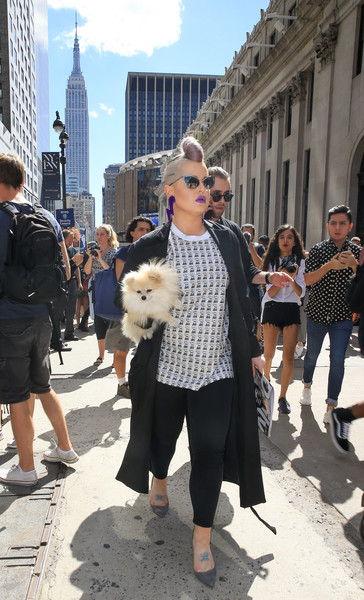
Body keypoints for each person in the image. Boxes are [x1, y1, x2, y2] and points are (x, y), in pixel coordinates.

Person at [116, 137, 268, 589]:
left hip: (218, 369)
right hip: (167, 370)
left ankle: (201, 539)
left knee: (209, 454)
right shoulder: (152, 246)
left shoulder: (228, 237)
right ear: (171, 191)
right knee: (162, 441)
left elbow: (239, 295)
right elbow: (136, 315)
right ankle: (158, 478)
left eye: (207, 182)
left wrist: (255, 349)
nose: (204, 188)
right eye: (193, 181)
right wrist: (145, 297)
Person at [0, 153, 78, 486]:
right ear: (20, 181)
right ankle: (65, 448)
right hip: (43, 318)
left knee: (17, 393)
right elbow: (67, 268)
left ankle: (27, 468)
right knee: (42, 386)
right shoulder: (45, 214)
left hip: (9, 317)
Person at [300, 205, 361, 422]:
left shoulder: (356, 253)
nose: (337, 227)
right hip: (316, 314)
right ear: (327, 225)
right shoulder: (317, 250)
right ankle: (307, 385)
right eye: (333, 223)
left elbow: (360, 284)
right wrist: (330, 265)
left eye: (342, 223)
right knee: (312, 356)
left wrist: (355, 266)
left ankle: (331, 404)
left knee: (337, 360)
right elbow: (307, 280)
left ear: (350, 226)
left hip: (342, 317)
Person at [207, 166, 292, 292]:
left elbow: (248, 270)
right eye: (216, 195)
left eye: (227, 196)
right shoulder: (186, 229)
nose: (223, 201)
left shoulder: (233, 230)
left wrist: (270, 277)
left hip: (227, 308)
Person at [105, 216, 155, 396]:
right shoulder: (124, 253)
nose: (145, 233)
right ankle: (121, 383)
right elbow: (122, 284)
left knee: (147, 351)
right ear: (131, 233)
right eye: (141, 229)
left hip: (151, 310)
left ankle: (144, 383)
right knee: (121, 350)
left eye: (148, 230)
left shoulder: (154, 254)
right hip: (126, 309)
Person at [261, 225, 306, 413]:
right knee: (269, 354)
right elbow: (270, 292)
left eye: (290, 237)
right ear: (276, 240)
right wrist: (279, 275)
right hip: (272, 307)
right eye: (282, 237)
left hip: (291, 310)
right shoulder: (270, 260)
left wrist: (292, 277)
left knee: (288, 357)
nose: (285, 240)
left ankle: (282, 397)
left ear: (295, 241)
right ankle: (266, 387)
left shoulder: (300, 262)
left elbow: (301, 292)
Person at [84, 224, 118, 366]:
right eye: (97, 234)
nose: (99, 237)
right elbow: (87, 271)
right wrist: (90, 257)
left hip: (110, 289)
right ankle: (101, 356)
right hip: (98, 288)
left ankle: (116, 359)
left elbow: (112, 271)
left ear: (108, 235)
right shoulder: (94, 251)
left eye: (102, 234)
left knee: (113, 323)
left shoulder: (114, 252)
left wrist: (100, 259)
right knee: (99, 323)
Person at [63, 230, 82, 342]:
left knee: (71, 309)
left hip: (72, 282)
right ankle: (55, 337)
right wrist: (73, 260)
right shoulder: (59, 250)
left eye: (72, 240)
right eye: (69, 240)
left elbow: (77, 268)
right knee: (58, 309)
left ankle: (69, 333)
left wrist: (79, 282)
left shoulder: (73, 250)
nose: (71, 242)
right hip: (62, 283)